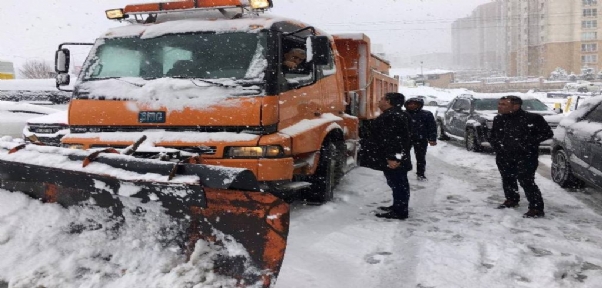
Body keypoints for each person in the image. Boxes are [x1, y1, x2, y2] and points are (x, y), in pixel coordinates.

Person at [489, 95, 553, 218]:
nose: (499, 107)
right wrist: (497, 145)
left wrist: (528, 143)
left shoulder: (532, 118)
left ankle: (536, 207)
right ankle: (511, 199)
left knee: (526, 180)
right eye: (499, 104)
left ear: (516, 106)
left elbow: (547, 133)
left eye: (503, 104)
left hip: (526, 156)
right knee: (507, 178)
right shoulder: (499, 119)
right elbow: (493, 135)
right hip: (504, 155)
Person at [359, 92, 412, 220]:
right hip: (396, 157)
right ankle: (398, 206)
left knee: (398, 183)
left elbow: (397, 140)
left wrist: (395, 158)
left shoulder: (393, 116)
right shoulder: (398, 114)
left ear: (388, 101)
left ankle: (400, 211)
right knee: (396, 183)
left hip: (395, 159)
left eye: (382, 99)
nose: (379, 101)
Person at [404, 97, 437, 181]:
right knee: (403, 155)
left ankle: (420, 174)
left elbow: (432, 127)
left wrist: (432, 138)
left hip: (421, 139)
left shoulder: (426, 114)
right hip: (406, 139)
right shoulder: (403, 114)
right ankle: (402, 171)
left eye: (415, 104)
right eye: (410, 104)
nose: (412, 106)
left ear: (420, 105)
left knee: (420, 157)